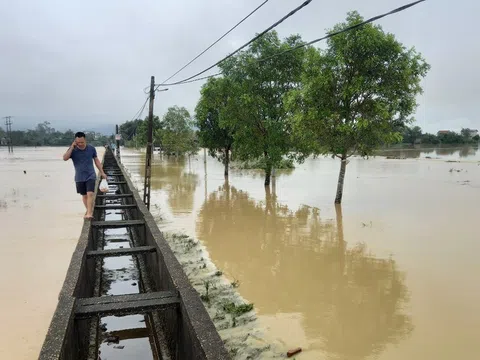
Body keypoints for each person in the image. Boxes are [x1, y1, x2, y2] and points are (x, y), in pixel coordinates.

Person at [63, 132, 107, 219]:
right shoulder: (73, 150)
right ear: (75, 141)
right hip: (79, 177)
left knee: (90, 193)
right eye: (78, 142)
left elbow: (96, 161)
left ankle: (89, 213)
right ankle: (89, 211)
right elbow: (65, 158)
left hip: (91, 175)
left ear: (85, 140)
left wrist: (102, 172)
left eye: (82, 142)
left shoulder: (91, 149)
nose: (80, 144)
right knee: (84, 195)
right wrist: (72, 147)